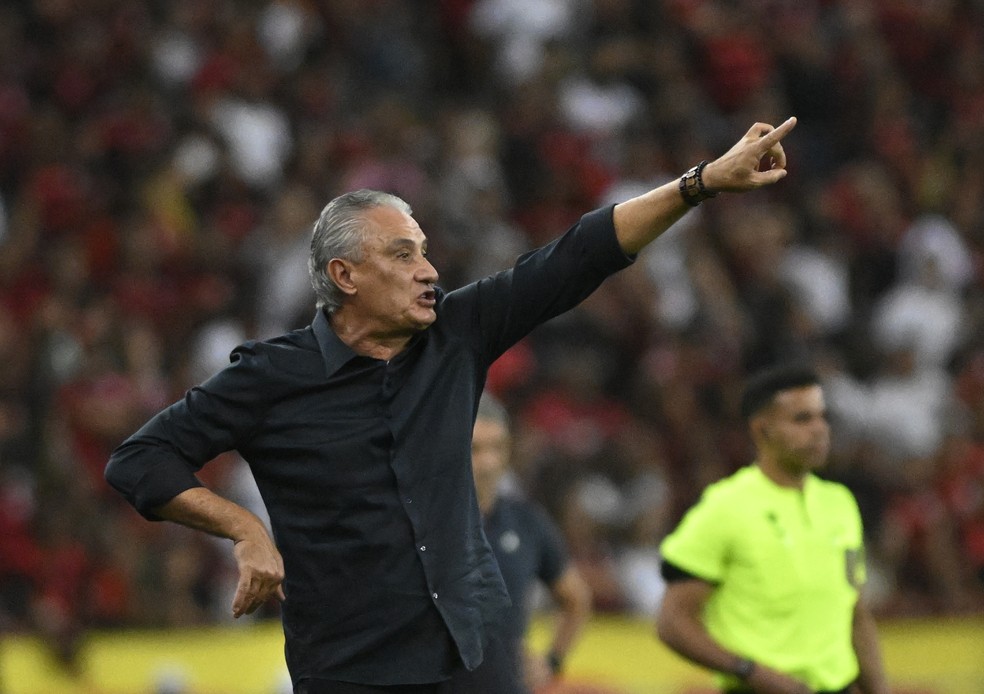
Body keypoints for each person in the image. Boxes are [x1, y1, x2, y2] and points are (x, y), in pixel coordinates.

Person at [104, 117, 798, 694]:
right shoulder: (271, 376)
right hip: (349, 671)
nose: (430, 271)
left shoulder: (457, 336)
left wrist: (699, 184)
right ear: (344, 275)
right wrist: (243, 530)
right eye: (403, 256)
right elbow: (140, 461)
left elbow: (576, 255)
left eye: (426, 254)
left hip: (472, 652)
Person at [656, 364, 890, 694]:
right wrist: (747, 671)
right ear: (761, 430)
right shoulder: (725, 506)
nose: (819, 429)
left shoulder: (840, 504)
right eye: (801, 419)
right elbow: (672, 621)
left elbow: (856, 614)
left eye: (822, 417)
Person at [449, 392, 591, 694]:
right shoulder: (425, 522)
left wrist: (552, 661)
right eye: (474, 449)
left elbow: (576, 599)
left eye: (497, 447)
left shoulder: (527, 522)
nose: (487, 462)